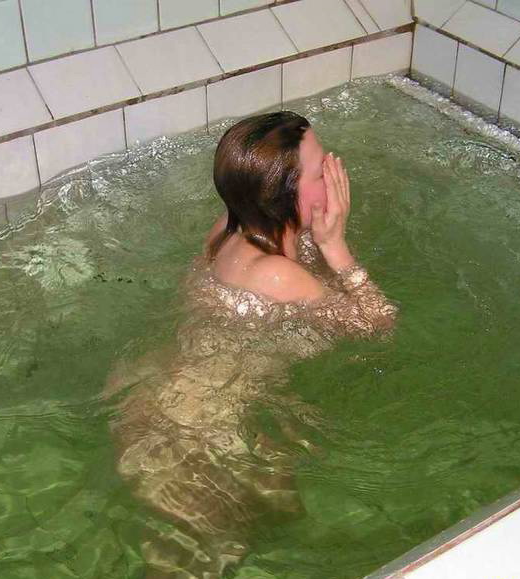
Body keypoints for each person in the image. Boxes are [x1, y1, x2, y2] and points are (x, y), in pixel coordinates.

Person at [104, 111, 399, 578]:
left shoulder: (228, 227)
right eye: (321, 170)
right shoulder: (278, 275)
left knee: (282, 511)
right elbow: (378, 324)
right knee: (204, 560)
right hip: (193, 436)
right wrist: (337, 248)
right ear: (284, 196)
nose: (334, 173)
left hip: (161, 396)